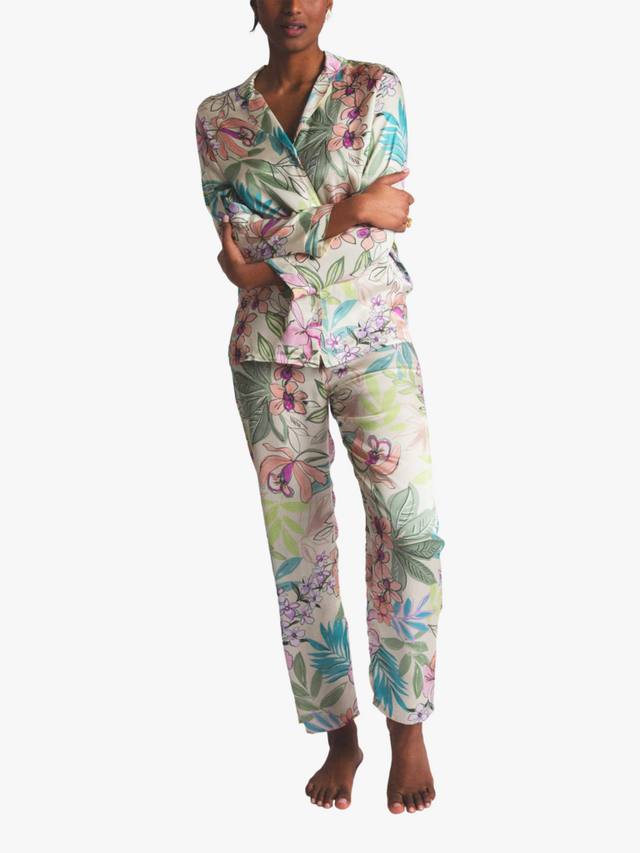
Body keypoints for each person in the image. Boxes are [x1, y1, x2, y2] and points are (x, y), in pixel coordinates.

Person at [195, 0, 445, 814]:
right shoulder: (219, 118)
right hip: (271, 356)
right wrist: (344, 210)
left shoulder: (375, 89)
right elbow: (239, 242)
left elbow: (381, 227)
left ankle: (407, 720)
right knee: (299, 553)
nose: (293, 5)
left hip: (372, 338)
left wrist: (276, 260)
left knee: (409, 528)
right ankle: (339, 733)